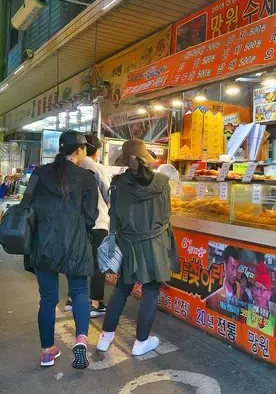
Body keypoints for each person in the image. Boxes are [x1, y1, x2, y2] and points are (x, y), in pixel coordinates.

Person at [96, 139, 179, 356]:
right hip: (155, 243)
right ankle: (141, 341)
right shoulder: (163, 182)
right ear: (146, 158)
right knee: (150, 290)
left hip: (128, 244)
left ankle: (105, 337)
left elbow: (115, 216)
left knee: (122, 288)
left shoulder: (117, 183)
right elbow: (166, 215)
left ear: (126, 160)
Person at [26, 130, 99, 368]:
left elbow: (26, 207)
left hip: (43, 242)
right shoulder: (87, 177)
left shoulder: (39, 173)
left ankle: (47, 352)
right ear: (78, 150)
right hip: (75, 243)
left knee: (47, 299)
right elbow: (91, 217)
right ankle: (81, 340)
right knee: (80, 293)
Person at [64, 134, 111, 316]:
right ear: (96, 151)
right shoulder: (95, 168)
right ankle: (95, 303)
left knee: (77, 258)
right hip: (97, 222)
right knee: (98, 263)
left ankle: (71, 299)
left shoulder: (70, 168)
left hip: (76, 223)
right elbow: (109, 193)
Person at [245, 262, 276, 339]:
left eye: (262, 289)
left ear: (269, 293)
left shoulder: (274, 321)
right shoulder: (246, 311)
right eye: (255, 287)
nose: (257, 293)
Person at [206, 245, 242, 316]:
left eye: (237, 269)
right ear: (225, 265)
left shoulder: (238, 286)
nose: (235, 274)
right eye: (232, 268)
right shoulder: (214, 286)